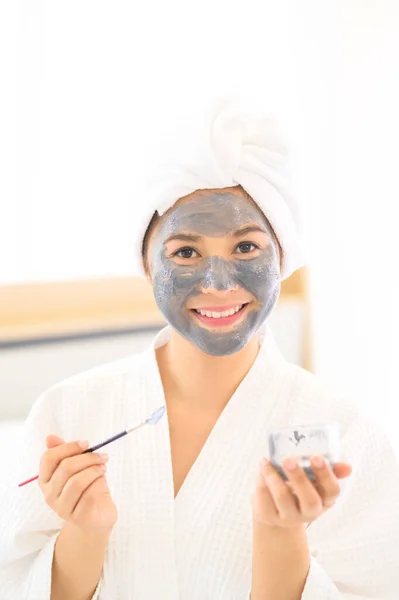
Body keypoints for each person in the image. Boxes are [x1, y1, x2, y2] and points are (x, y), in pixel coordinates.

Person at [1, 101, 399, 600]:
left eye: (247, 248)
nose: (217, 282)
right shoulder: (67, 415)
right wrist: (85, 533)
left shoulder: (348, 437)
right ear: (147, 266)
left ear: (284, 257)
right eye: (185, 253)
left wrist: (281, 538)